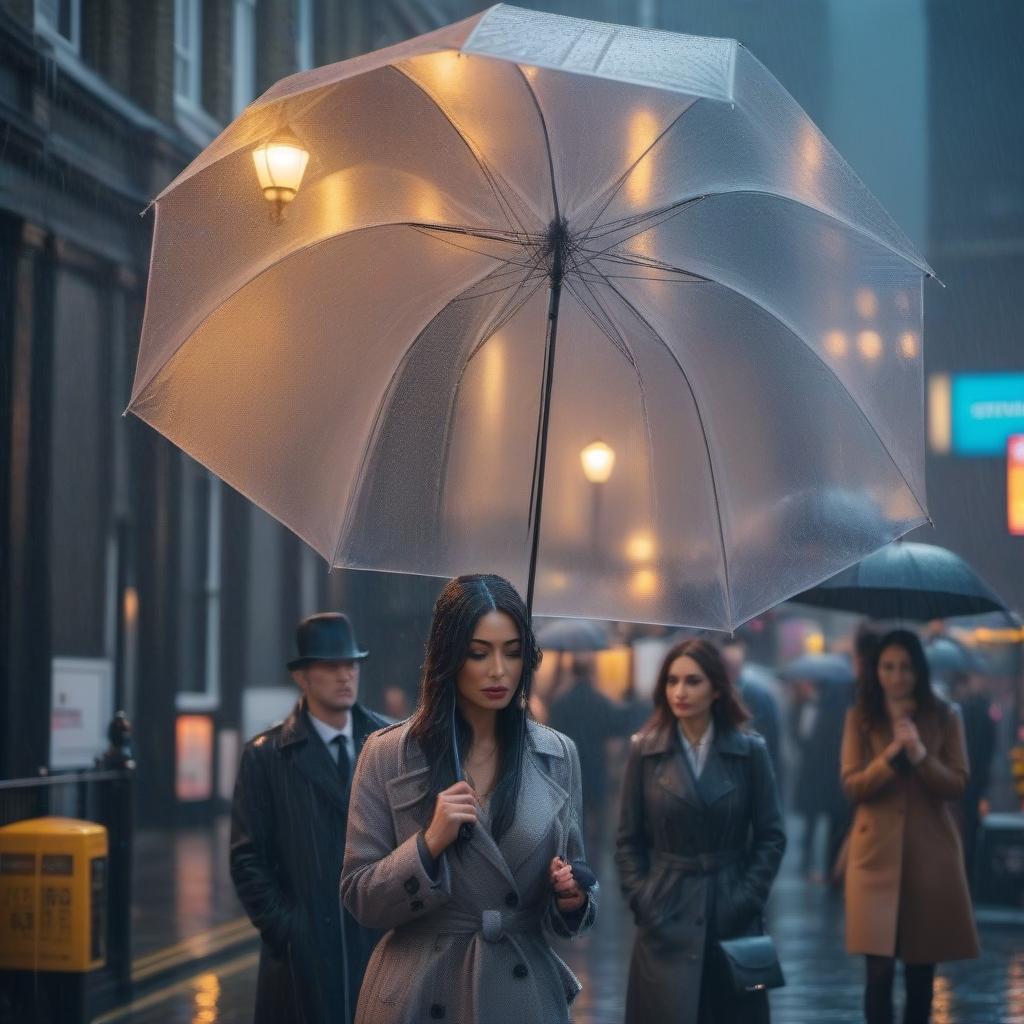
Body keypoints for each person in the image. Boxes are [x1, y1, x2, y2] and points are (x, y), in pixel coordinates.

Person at [341, 574, 596, 1024]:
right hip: (420, 992)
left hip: (521, 995)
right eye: (479, 653)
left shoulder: (558, 755)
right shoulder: (387, 755)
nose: (498, 670)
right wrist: (426, 846)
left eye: (513, 652)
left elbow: (569, 897)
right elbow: (360, 897)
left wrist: (571, 898)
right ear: (449, 657)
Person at [230, 612, 389, 1024]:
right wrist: (290, 931)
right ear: (302, 677)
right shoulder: (266, 756)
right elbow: (248, 861)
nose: (345, 675)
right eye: (331, 665)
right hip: (302, 961)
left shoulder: (388, 743)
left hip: (375, 945)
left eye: (351, 664)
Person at [616, 639, 786, 1024]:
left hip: (731, 913)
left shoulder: (749, 751)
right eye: (672, 681)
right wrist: (644, 900)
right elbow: (627, 840)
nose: (680, 692)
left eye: (692, 681)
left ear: (716, 688)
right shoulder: (645, 752)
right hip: (665, 915)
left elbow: (771, 835)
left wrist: (745, 898)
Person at [841, 629, 979, 1024]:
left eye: (904, 667)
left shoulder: (945, 715)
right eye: (888, 666)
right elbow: (852, 786)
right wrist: (888, 757)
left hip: (929, 859)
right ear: (876, 670)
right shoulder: (860, 718)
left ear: (918, 670)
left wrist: (919, 754)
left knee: (921, 974)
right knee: (878, 972)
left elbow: (957, 783)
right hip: (874, 859)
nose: (896, 676)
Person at [548, 652, 634, 859]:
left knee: (572, 819)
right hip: (596, 768)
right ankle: (593, 862)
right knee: (597, 821)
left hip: (567, 768)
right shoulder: (600, 700)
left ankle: (573, 856)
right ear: (590, 672)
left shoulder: (560, 702)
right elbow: (618, 725)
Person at [720, 635, 782, 780]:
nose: (731, 674)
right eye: (728, 668)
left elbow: (769, 737)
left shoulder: (757, 693)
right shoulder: (718, 690)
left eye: (734, 669)